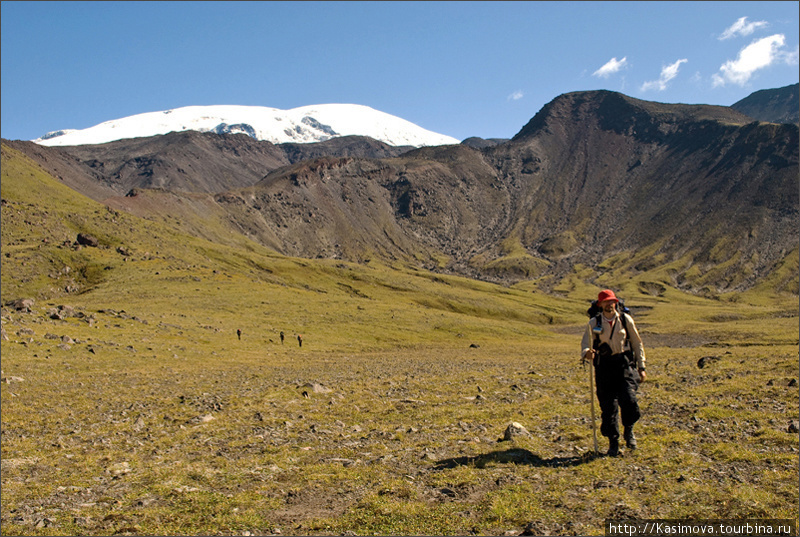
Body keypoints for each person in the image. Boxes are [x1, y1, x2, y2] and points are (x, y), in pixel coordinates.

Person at [581, 289, 646, 456]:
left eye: (612, 301)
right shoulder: (593, 323)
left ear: (616, 303)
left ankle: (629, 430)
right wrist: (587, 352)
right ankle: (613, 442)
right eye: (606, 302)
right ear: (600, 304)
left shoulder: (625, 320)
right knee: (608, 407)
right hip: (604, 367)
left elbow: (637, 343)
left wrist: (642, 366)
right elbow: (585, 344)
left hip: (624, 364)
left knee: (629, 399)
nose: (610, 304)